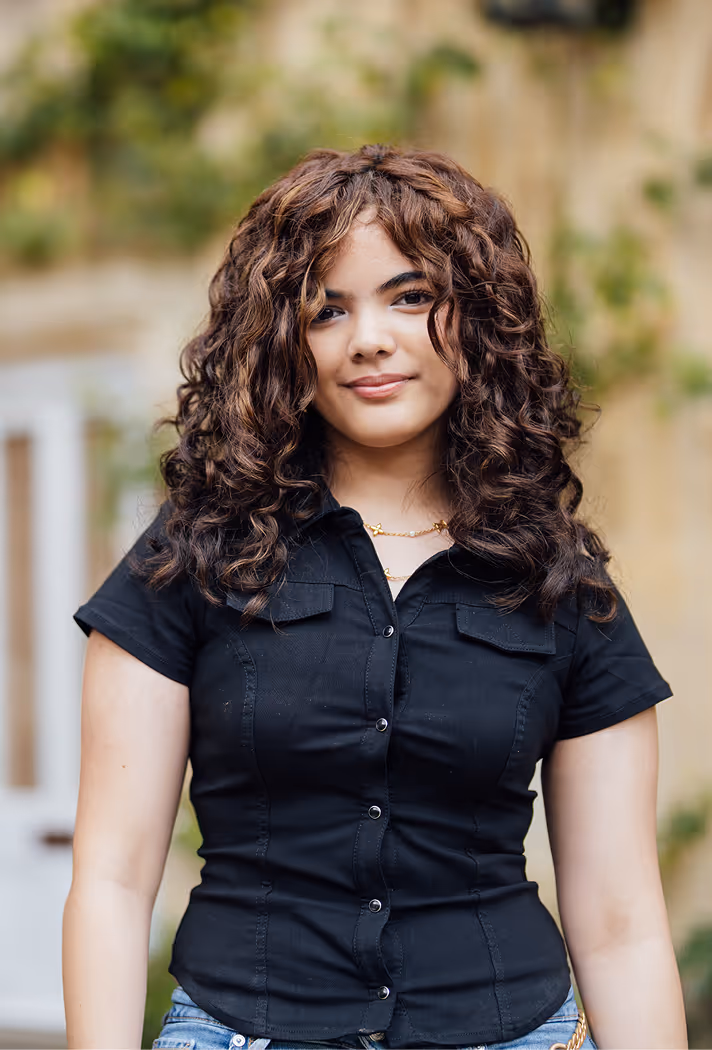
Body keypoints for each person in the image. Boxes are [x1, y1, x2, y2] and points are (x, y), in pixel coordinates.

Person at [63, 143, 687, 1050]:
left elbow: (623, 924)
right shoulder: (191, 559)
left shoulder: (562, 585)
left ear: (477, 319)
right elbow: (114, 880)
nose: (369, 340)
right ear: (286, 340)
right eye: (327, 309)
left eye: (410, 297)